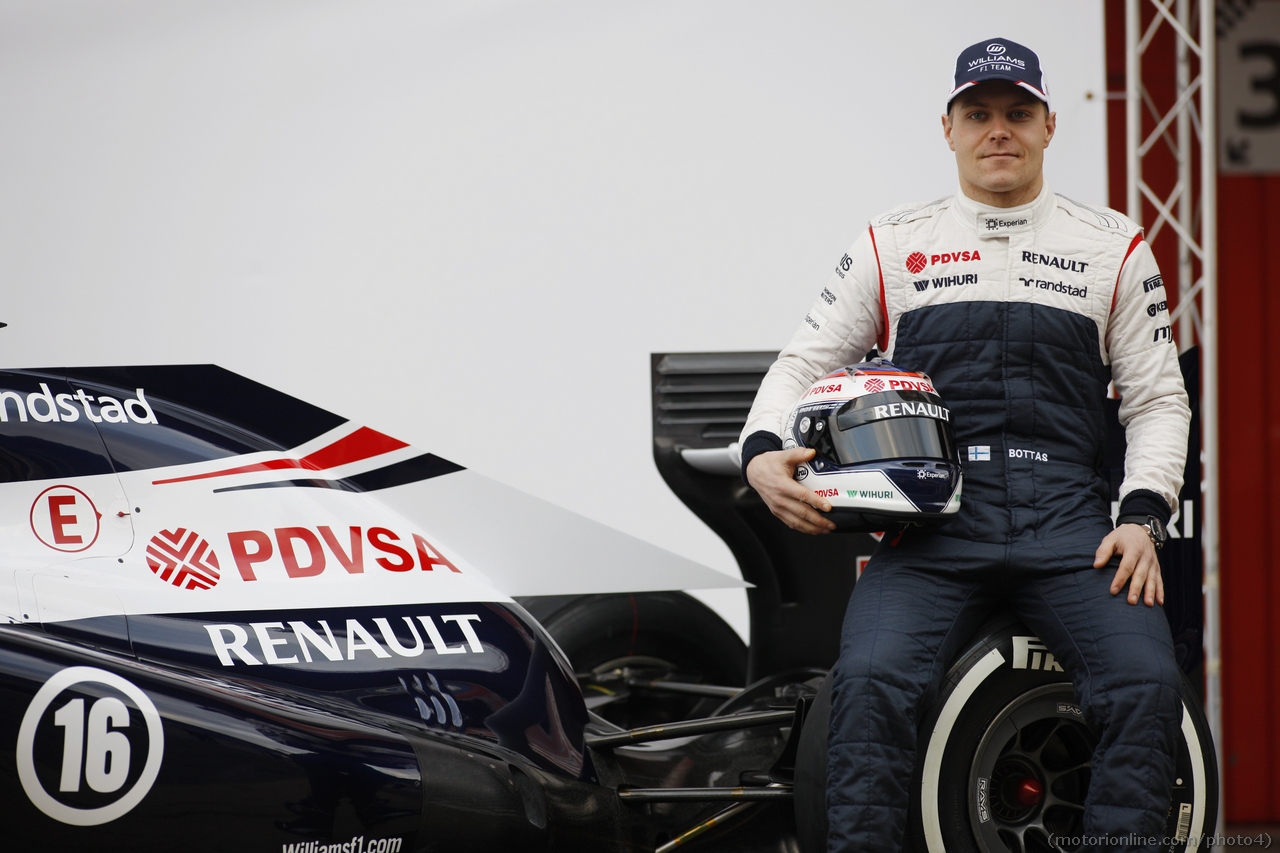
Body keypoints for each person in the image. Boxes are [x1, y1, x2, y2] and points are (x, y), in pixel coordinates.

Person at [739, 38, 1190, 852]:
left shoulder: (1112, 246)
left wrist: (1143, 516)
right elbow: (804, 362)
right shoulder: (892, 243)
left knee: (1147, 683)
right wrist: (761, 449)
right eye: (978, 114)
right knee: (869, 686)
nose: (999, 131)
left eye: (1017, 113)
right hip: (933, 527)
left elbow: (1159, 399)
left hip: (1074, 529)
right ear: (947, 127)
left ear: (1050, 124)